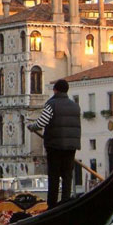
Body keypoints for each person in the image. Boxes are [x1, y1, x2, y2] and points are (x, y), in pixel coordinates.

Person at [27, 78, 81, 210]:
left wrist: (32, 126)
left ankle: (52, 205)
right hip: (71, 145)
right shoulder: (75, 106)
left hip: (55, 145)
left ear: (55, 90)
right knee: (67, 174)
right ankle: (66, 200)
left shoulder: (51, 104)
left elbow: (42, 122)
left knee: (54, 175)